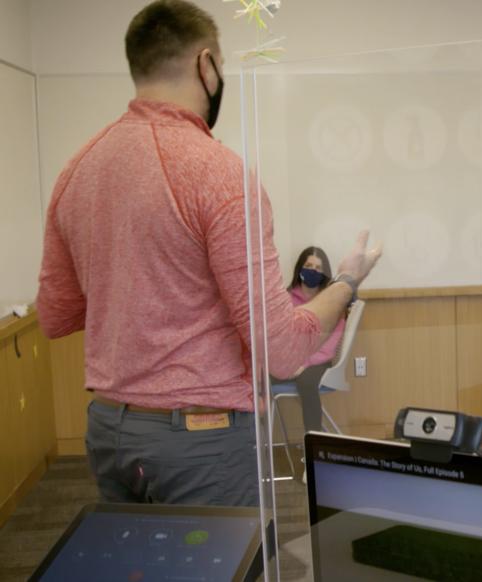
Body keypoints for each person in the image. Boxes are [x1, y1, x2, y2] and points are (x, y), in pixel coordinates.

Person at [35, 0, 382, 507]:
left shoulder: (76, 171)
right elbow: (281, 351)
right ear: (206, 65)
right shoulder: (220, 176)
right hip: (201, 440)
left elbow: (55, 315)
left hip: (110, 431)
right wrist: (346, 282)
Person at [274, 247, 348, 433]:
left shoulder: (333, 302)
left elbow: (329, 346)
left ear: (325, 273)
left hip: (318, 360)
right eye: (308, 265)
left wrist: (304, 363)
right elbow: (280, 337)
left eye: (318, 267)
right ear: (300, 268)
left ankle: (314, 440)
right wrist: (289, 362)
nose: (312, 270)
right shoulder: (286, 299)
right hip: (290, 360)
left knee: (307, 383)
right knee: (258, 378)